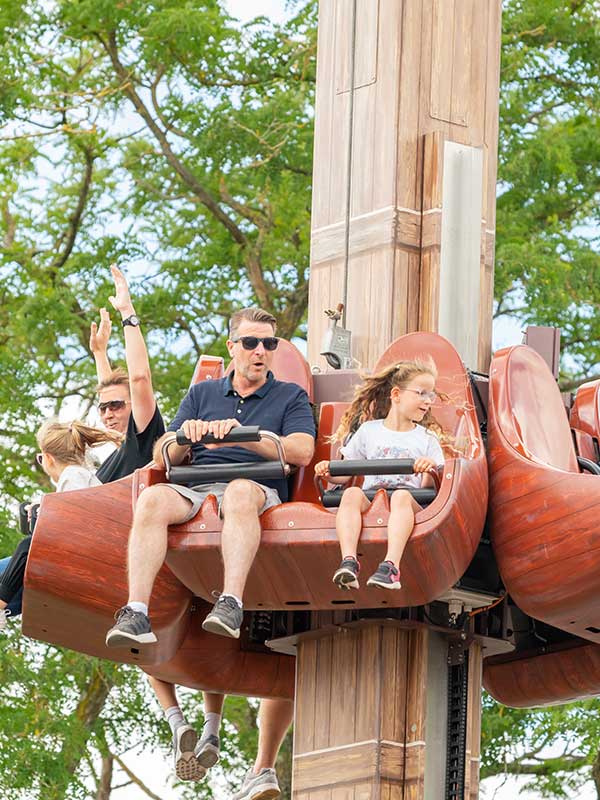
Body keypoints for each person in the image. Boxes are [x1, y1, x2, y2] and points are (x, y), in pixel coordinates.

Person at [105, 305, 315, 799]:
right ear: (232, 347)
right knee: (153, 500)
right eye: (251, 343)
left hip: (256, 487)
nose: (260, 352)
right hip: (197, 487)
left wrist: (252, 439)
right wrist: (187, 437)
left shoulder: (289, 396)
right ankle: (136, 610)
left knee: (239, 492)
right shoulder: (202, 393)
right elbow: (163, 452)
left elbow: (302, 450)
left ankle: (231, 602)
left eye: (269, 344)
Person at [315, 359, 445, 590]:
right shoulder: (369, 431)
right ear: (396, 394)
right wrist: (327, 471)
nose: (427, 401)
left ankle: (391, 566)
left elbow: (432, 485)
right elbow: (345, 474)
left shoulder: (427, 438)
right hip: (374, 496)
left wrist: (428, 468)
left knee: (400, 497)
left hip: (410, 498)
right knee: (351, 494)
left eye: (431, 395)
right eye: (421, 393)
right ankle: (348, 561)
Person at [0, 419, 122, 629]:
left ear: (48, 458)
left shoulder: (72, 476)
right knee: (23, 561)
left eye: (40, 458)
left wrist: (45, 514)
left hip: (86, 554)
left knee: (28, 547)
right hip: (91, 549)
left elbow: (72, 521)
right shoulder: (80, 476)